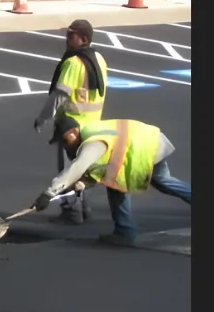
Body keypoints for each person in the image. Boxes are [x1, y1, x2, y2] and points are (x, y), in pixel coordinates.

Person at [34, 115, 191, 247]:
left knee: (117, 185)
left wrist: (49, 193)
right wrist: (80, 184)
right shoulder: (91, 131)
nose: (64, 145)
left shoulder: (93, 142)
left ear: (74, 132)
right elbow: (96, 169)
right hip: (151, 141)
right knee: (163, 182)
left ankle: (125, 231)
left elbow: (78, 166)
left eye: (64, 140)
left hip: (145, 148)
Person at [34, 19, 108, 224]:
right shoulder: (99, 58)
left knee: (68, 171)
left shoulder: (73, 63)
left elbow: (59, 96)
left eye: (71, 35)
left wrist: (42, 118)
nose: (66, 39)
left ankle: (72, 212)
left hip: (71, 127)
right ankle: (84, 208)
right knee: (83, 170)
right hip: (93, 125)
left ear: (83, 38)